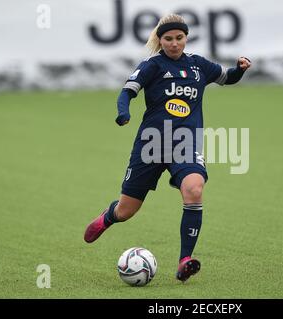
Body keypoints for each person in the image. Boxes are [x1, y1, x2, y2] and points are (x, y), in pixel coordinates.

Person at [84, 13, 251, 282]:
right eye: (169, 39)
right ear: (160, 40)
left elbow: (226, 77)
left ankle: (185, 259)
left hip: (186, 144)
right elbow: (127, 92)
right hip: (150, 144)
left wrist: (240, 69)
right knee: (126, 211)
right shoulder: (153, 66)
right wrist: (123, 113)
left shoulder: (199, 66)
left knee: (194, 189)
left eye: (179, 38)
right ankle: (108, 218)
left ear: (186, 38)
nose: (174, 43)